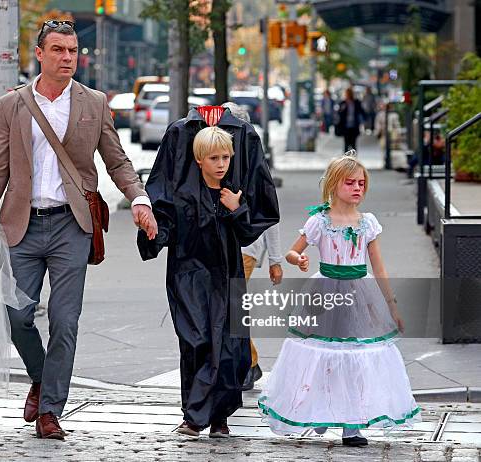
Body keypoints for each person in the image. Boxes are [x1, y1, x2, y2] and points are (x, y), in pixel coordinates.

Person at [0, 19, 157, 440]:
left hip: (72, 226)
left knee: (66, 322)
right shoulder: (12, 105)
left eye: (72, 51)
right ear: (40, 54)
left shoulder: (94, 102)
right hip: (23, 225)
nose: (68, 57)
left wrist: (139, 199)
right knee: (16, 315)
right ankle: (40, 376)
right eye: (58, 50)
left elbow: (117, 160)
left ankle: (51, 410)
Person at [258, 153, 420, 447]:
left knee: (357, 357)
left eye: (362, 183)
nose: (358, 188)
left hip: (360, 291)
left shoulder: (368, 223)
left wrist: (391, 305)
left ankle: (352, 425)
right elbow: (293, 252)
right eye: (350, 183)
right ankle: (322, 410)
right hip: (324, 293)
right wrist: (300, 259)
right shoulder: (319, 221)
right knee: (321, 356)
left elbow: (379, 267)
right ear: (334, 184)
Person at [138, 123, 279, 439]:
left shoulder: (232, 194)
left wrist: (237, 209)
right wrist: (151, 233)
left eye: (226, 158)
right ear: (199, 159)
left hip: (227, 277)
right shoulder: (183, 195)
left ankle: (219, 417)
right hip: (188, 277)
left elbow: (247, 235)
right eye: (214, 158)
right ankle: (193, 415)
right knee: (196, 342)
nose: (221, 164)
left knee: (230, 348)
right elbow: (164, 230)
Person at [221, 101, 283, 391]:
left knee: (232, 306)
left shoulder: (251, 165)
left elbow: (270, 214)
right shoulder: (220, 159)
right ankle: (248, 363)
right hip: (225, 246)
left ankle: (249, 363)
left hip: (246, 248)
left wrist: (275, 258)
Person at [336, 88, 365, 152]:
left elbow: (362, 111)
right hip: (345, 126)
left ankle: (353, 159)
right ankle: (346, 159)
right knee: (346, 144)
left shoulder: (356, 102)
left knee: (353, 144)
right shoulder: (343, 103)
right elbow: (339, 114)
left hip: (354, 126)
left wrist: (363, 121)